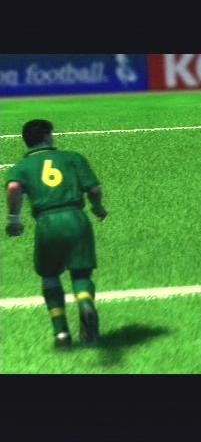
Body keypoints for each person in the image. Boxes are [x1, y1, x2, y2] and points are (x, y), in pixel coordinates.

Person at [5, 119, 108, 348]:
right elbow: (94, 189)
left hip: (47, 223)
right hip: (76, 219)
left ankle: (61, 333)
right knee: (81, 274)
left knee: (50, 276)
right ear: (47, 137)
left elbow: (14, 188)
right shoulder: (72, 158)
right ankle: (85, 303)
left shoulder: (22, 167)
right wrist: (98, 209)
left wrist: (14, 220)